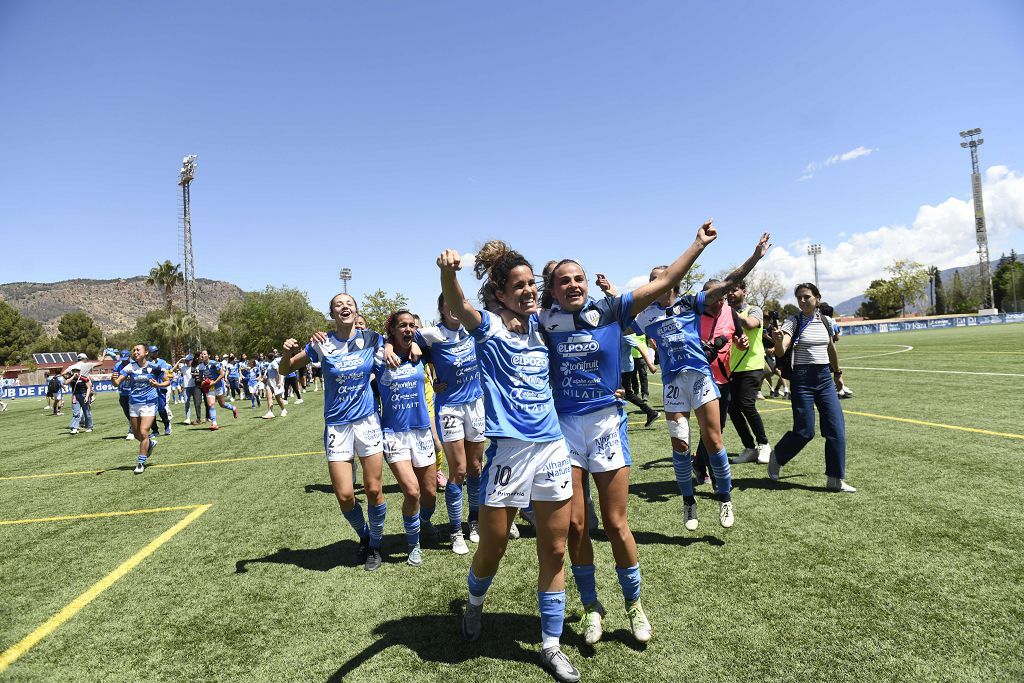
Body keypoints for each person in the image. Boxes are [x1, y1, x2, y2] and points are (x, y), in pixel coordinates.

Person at [539, 225, 715, 646]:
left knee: (616, 523)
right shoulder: (542, 321)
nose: (573, 285)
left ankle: (634, 605)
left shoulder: (613, 309)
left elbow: (665, 282)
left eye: (578, 278)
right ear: (553, 290)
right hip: (564, 428)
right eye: (564, 281)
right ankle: (591, 607)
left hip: (605, 424)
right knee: (577, 526)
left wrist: (697, 244)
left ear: (587, 282)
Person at [438, 241, 579, 683]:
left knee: (554, 550)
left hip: (552, 448)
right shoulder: (489, 328)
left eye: (532, 283)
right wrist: (448, 273)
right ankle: (474, 604)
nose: (529, 290)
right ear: (499, 294)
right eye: (518, 285)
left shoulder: (544, 325)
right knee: (493, 547)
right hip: (509, 453)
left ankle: (551, 645)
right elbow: (459, 305)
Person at [633, 230, 771, 532]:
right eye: (651, 280)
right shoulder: (644, 316)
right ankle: (689, 501)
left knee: (714, 441)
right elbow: (612, 326)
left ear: (672, 280)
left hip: (700, 379)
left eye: (660, 278)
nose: (655, 283)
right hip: (673, 385)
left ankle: (725, 498)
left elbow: (729, 283)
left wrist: (754, 257)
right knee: (681, 445)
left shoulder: (689, 303)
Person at [280, 293, 388, 571]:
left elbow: (396, 345)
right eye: (339, 304)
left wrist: (394, 349)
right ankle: (365, 535)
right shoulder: (321, 343)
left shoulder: (372, 338)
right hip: (337, 426)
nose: (345, 307)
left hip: (367, 421)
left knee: (373, 489)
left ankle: (375, 546)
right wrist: (286, 352)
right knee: (345, 495)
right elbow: (286, 368)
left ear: (356, 310)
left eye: (349, 303)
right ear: (332, 313)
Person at [415, 294, 488, 555]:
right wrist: (392, 348)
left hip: (476, 404)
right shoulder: (431, 334)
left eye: (460, 301)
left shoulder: (475, 326)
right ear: (441, 309)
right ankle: (456, 530)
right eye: (450, 303)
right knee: (458, 470)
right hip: (450, 408)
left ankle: (474, 521)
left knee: (476, 468)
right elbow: (402, 342)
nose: (456, 307)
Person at [769, 284, 856, 492]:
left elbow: (831, 348)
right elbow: (781, 352)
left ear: (817, 298)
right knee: (804, 432)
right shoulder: (793, 321)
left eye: (807, 297)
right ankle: (777, 456)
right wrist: (778, 341)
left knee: (836, 429)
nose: (802, 301)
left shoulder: (826, 321)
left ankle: (835, 479)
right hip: (802, 380)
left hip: (824, 378)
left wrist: (838, 373)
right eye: (799, 297)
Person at [372, 310, 440, 567]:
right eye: (402, 325)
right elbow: (367, 340)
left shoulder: (421, 352)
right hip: (394, 434)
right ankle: (414, 545)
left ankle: (424, 521)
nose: (408, 329)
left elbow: (442, 338)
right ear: (392, 329)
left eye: (412, 325)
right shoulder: (380, 356)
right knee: (412, 492)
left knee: (430, 494)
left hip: (421, 431)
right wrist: (387, 345)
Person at [692, 279, 748, 485]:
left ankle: (699, 464)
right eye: (713, 298)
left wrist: (742, 344)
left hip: (723, 380)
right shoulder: (692, 315)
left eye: (721, 298)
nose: (718, 303)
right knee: (711, 430)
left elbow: (740, 339)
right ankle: (717, 480)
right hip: (699, 380)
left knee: (717, 428)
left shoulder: (730, 312)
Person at [726, 281, 773, 464]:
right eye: (727, 291)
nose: (730, 293)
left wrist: (729, 312)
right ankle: (749, 448)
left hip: (752, 366)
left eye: (734, 289)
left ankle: (764, 444)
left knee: (747, 404)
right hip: (732, 368)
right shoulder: (723, 314)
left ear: (744, 291)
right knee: (732, 409)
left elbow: (750, 324)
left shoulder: (753, 310)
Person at [112, 344, 170, 474]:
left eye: (138, 350)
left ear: (146, 352)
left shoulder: (154, 367)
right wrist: (113, 378)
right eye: (134, 350)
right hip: (134, 403)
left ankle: (140, 463)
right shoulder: (130, 367)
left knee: (144, 433)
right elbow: (116, 383)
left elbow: (167, 381)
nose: (135, 352)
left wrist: (158, 384)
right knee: (137, 434)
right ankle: (150, 444)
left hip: (149, 403)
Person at [196, 350, 238, 430]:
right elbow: (201, 377)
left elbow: (222, 374)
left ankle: (233, 408)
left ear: (209, 355)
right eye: (201, 354)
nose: (202, 355)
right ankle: (214, 423)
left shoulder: (214, 363)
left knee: (222, 404)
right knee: (211, 404)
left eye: (204, 354)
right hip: (209, 387)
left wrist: (214, 382)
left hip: (218, 385)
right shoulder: (201, 366)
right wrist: (204, 383)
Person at [145, 346, 174, 436]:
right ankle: (155, 430)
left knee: (161, 409)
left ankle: (167, 425)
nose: (155, 353)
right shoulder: (145, 363)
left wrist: (153, 366)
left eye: (156, 351)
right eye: (153, 352)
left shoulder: (162, 362)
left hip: (161, 388)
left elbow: (163, 371)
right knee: (151, 411)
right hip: (149, 390)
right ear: (149, 353)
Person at [67, 368, 94, 434]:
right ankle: (74, 428)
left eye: (77, 371)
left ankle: (90, 427)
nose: (75, 372)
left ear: (79, 371)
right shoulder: (71, 378)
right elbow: (66, 382)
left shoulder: (84, 378)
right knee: (76, 412)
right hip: (75, 396)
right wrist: (73, 376)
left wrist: (87, 397)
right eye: (74, 371)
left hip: (83, 395)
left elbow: (89, 387)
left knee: (86, 412)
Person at [262, 351, 287, 419]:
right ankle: (270, 412)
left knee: (278, 398)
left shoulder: (273, 363)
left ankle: (284, 410)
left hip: (275, 383)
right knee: (269, 397)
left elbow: (279, 372)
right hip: (270, 382)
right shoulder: (270, 363)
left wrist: (279, 382)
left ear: (268, 357)